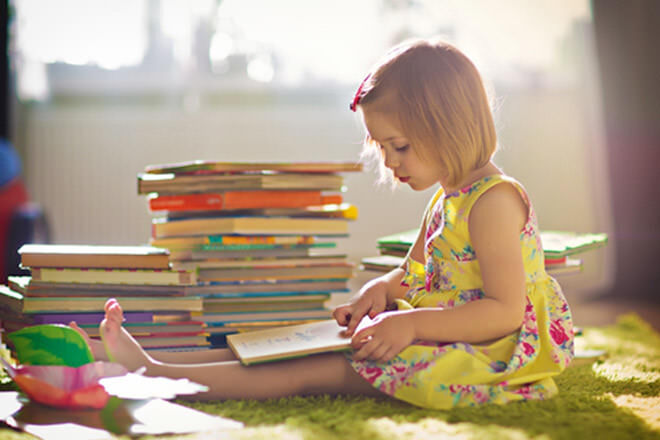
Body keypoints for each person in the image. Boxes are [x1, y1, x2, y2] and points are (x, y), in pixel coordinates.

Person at [72, 38, 574, 409]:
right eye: (382, 149)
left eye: (399, 146)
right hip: (443, 331)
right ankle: (160, 363)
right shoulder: (448, 199)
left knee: (322, 368)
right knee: (298, 343)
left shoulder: (493, 202)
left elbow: (505, 312)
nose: (391, 163)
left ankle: (160, 377)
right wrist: (378, 290)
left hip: (490, 354)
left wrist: (413, 322)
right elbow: (415, 273)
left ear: (451, 127)